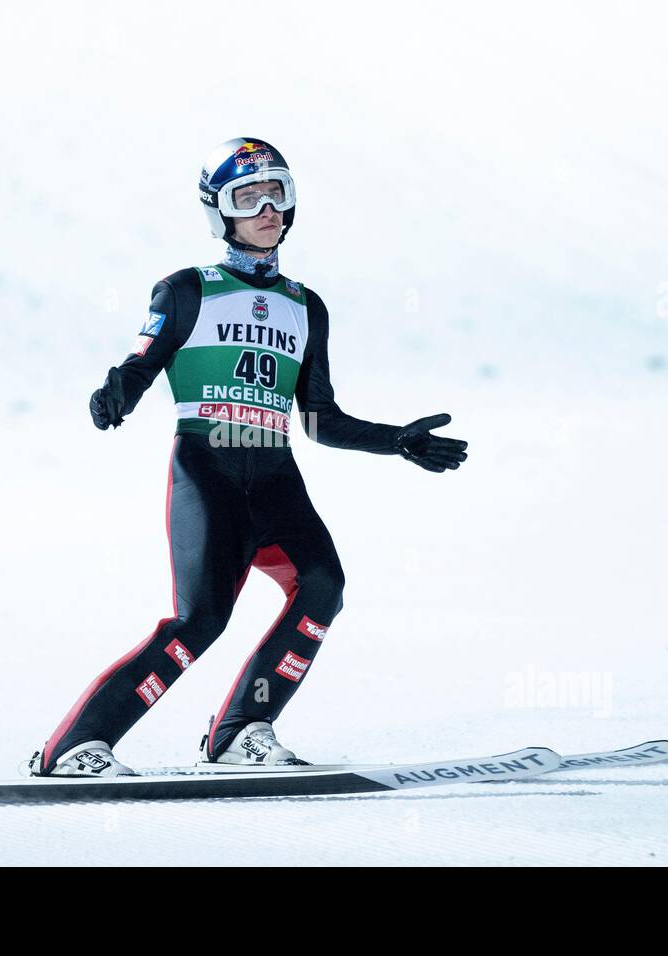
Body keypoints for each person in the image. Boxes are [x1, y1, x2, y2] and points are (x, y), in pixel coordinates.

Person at [28, 137, 468, 776]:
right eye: (248, 197)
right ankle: (72, 746)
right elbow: (143, 361)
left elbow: (320, 419)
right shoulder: (186, 290)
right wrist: (120, 389)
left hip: (274, 472)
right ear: (219, 211)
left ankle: (241, 730)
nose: (268, 209)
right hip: (208, 468)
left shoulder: (305, 306)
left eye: (278, 194)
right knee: (199, 620)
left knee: (322, 588)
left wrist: (397, 440)